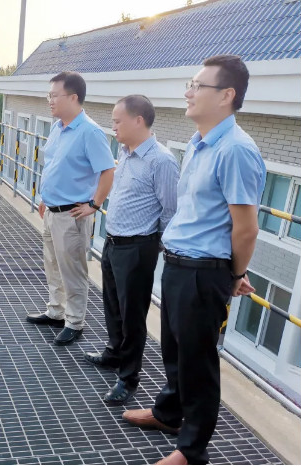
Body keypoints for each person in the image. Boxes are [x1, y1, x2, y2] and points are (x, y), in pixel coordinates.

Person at [122, 55, 266, 465]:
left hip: (205, 273)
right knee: (175, 350)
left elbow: (246, 229)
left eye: (197, 86)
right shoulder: (201, 144)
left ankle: (192, 449)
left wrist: (235, 274)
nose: (188, 92)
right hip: (179, 264)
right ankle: (169, 413)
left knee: (198, 363)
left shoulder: (236, 150)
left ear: (226, 95)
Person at [83, 95, 179, 404]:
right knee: (112, 306)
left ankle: (128, 378)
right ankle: (114, 353)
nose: (113, 127)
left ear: (139, 121)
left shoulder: (162, 161)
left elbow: (171, 211)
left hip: (138, 247)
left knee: (133, 315)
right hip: (113, 242)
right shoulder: (125, 153)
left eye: (117, 121)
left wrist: (153, 246)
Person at [26, 71, 115, 346]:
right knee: (53, 265)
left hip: (71, 215)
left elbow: (108, 171)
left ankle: (74, 322)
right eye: (49, 95)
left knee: (73, 271)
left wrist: (95, 204)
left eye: (55, 95)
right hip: (51, 210)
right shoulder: (58, 127)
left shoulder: (90, 132)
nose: (50, 100)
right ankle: (56, 311)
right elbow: (54, 165)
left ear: (73, 97)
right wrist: (45, 197)